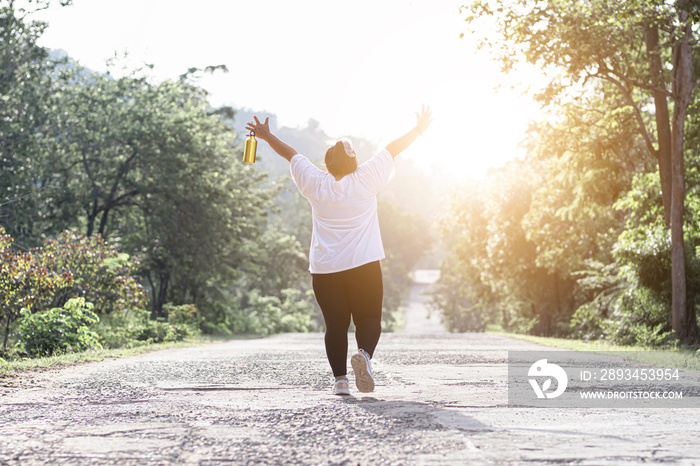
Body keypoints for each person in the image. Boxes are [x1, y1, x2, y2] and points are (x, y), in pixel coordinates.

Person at [245, 106, 432, 396]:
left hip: (325, 269)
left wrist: (266, 136)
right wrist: (419, 130)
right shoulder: (366, 178)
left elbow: (291, 154)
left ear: (328, 166)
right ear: (355, 163)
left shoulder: (316, 183)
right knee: (368, 319)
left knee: (335, 325)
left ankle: (340, 382)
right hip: (364, 266)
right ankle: (365, 356)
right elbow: (392, 149)